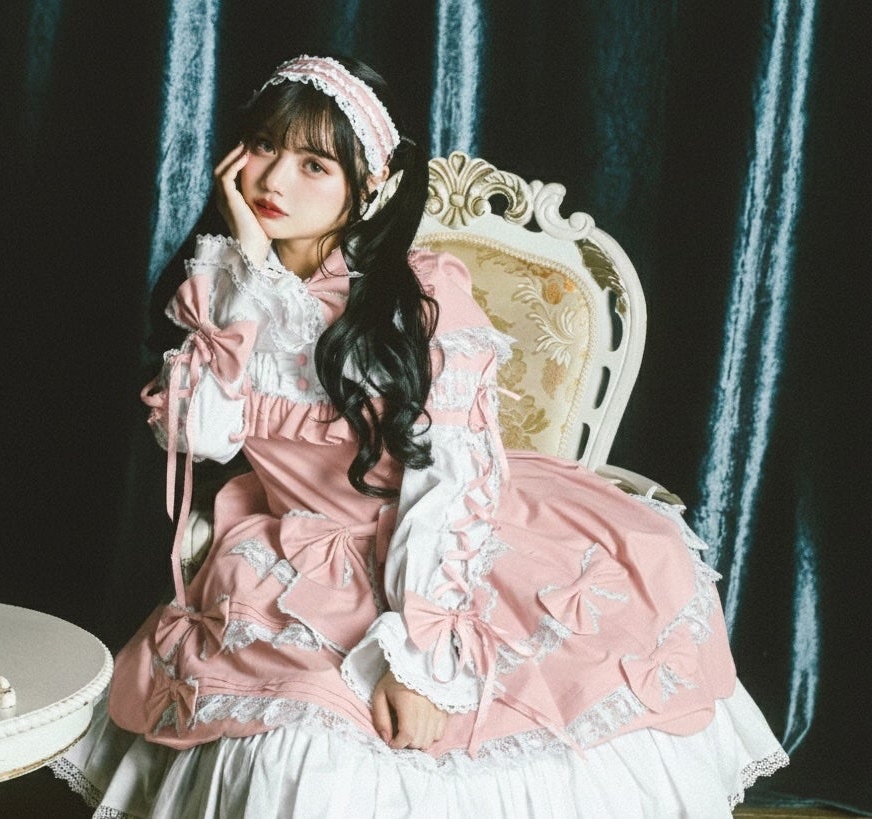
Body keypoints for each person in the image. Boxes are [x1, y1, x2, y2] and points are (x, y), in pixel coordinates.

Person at [53, 55, 788, 817]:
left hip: (434, 546)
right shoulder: (226, 289)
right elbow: (200, 435)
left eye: (313, 164)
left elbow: (447, 483)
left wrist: (418, 659)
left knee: (460, 735)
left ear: (369, 186)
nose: (273, 180)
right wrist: (242, 269)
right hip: (293, 551)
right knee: (297, 752)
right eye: (264, 146)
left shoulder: (418, 298)